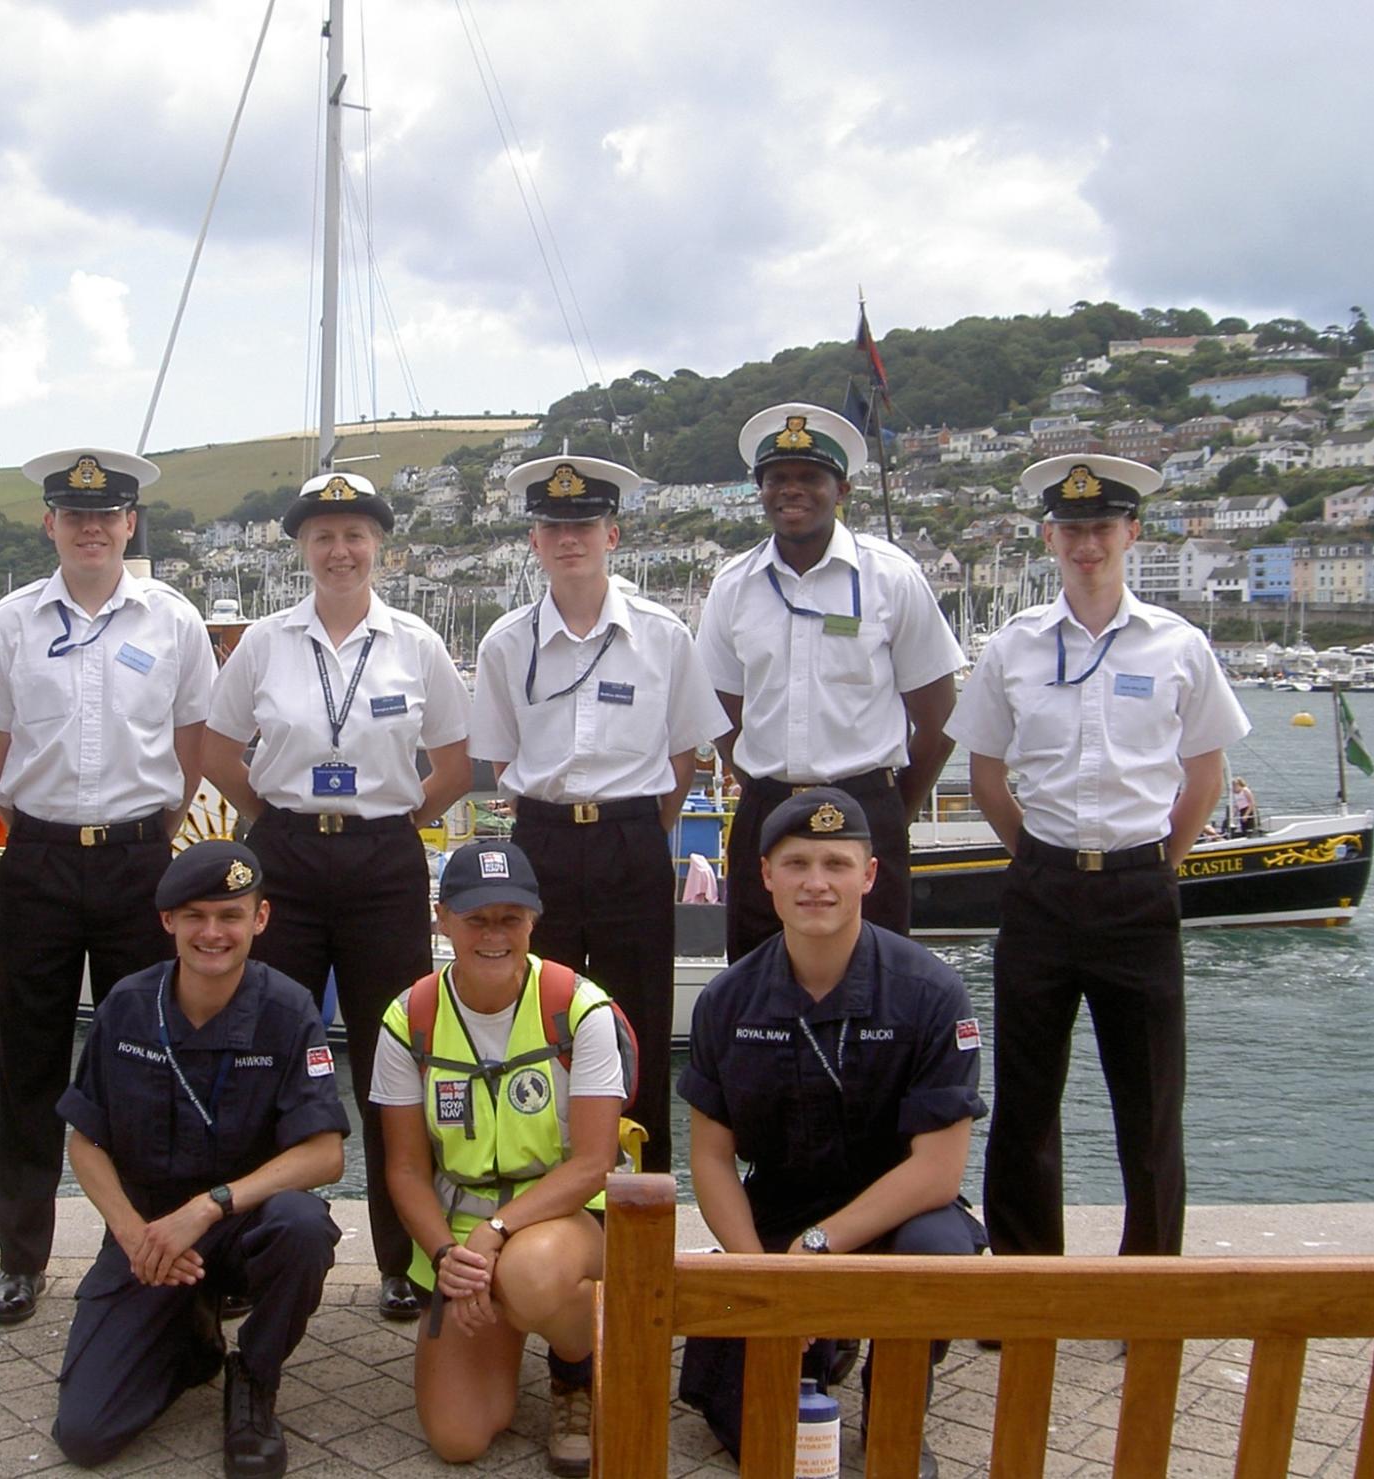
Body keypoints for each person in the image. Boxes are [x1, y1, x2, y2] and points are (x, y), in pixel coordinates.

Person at [946, 455, 1250, 1261]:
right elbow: (984, 772)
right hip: (1041, 889)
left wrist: (1156, 864)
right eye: (1072, 529)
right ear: (1050, 536)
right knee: (1025, 1099)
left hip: (1138, 893)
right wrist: (1037, 854)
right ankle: (1024, 1279)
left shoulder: (1178, 646)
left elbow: (1204, 772)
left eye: (1103, 528)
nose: (1088, 544)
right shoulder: (1013, 647)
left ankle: (1148, 1282)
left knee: (1149, 1104)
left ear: (1132, 532)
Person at [201, 470, 471, 1321]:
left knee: (394, 1061)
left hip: (383, 862)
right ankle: (255, 1249)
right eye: (323, 536)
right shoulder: (265, 643)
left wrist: (389, 823)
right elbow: (214, 749)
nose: (340, 549)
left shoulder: (417, 642)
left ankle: (405, 1257)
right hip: (283, 854)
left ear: (379, 546)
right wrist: (277, 819)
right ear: (301, 549)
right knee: (262, 1047)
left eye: (355, 534)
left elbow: (456, 763)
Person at [0, 447, 218, 1326]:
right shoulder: (7, 624)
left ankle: (145, 1250)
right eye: (74, 515)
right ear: (50, 525)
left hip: (139, 861)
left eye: (107, 514)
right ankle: (19, 1259)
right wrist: (46, 816)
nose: (92, 527)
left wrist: (141, 825)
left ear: (130, 523)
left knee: (148, 1061)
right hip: (36, 859)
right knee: (27, 1061)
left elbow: (192, 746)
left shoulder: (174, 620)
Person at [677, 789, 986, 1477]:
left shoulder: (932, 993)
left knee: (939, 1252)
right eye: (797, 863)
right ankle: (824, 1338)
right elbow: (711, 1156)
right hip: (779, 1211)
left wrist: (818, 1251)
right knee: (760, 1438)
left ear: (869, 875)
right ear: (765, 876)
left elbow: (938, 1169)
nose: (816, 882)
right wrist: (763, 1278)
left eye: (836, 863)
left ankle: (894, 1412)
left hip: (897, 1207)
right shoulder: (726, 999)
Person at [50, 841, 348, 1476]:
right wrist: (133, 1235)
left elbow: (325, 1155)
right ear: (168, 922)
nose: (213, 933)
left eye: (230, 915)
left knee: (303, 1227)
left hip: (242, 1225)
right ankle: (192, 1335)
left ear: (259, 919)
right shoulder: (127, 1007)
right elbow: (85, 1138)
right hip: (153, 1238)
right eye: (195, 916)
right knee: (85, 1433)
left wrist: (209, 1209)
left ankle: (254, 1381)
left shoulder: (289, 1010)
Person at [468, 454, 726, 1174]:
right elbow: (499, 761)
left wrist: (642, 830)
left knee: (634, 1022)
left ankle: (641, 1208)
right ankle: (538, 1189)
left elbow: (683, 759)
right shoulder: (504, 643)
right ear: (533, 542)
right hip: (541, 841)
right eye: (553, 526)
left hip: (631, 839)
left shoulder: (663, 635)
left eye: (583, 523)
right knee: (536, 1020)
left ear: (613, 534)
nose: (568, 538)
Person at [371, 841, 628, 1476]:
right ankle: (512, 1323)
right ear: (442, 918)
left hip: (564, 1224)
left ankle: (577, 1370)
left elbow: (594, 1162)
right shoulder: (411, 1019)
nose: (494, 934)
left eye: (510, 918)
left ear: (534, 920)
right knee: (459, 1437)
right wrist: (446, 1259)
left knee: (530, 1275)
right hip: (461, 1238)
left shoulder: (577, 1008)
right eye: (475, 918)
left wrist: (495, 1235)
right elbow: (404, 1168)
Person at [696, 402, 965, 960]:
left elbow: (939, 722)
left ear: (841, 489)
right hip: (765, 814)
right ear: (760, 490)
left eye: (810, 477)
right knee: (757, 982)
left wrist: (888, 812)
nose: (792, 490)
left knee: (878, 992)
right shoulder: (733, 586)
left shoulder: (892, 578)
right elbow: (722, 716)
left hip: (866, 809)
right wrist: (760, 785)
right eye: (778, 479)